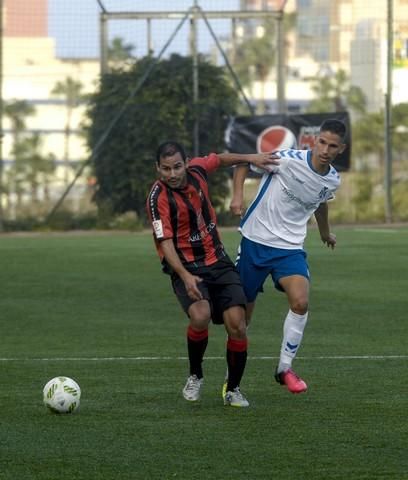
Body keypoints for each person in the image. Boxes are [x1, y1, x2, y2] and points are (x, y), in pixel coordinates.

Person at [146, 140, 279, 407]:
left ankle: (233, 390)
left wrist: (252, 157)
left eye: (177, 167)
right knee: (200, 315)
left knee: (238, 325)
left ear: (187, 162)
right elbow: (165, 242)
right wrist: (184, 276)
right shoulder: (157, 198)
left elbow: (220, 159)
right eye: (165, 169)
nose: (172, 174)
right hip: (186, 267)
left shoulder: (197, 170)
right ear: (157, 168)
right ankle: (195, 375)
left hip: (217, 260)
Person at [230, 119, 347, 394]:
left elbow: (320, 203)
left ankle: (284, 368)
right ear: (314, 141)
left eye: (333, 146)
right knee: (240, 322)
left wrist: (324, 234)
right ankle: (232, 382)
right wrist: (237, 196)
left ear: (341, 148)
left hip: (290, 248)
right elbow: (243, 164)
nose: (325, 150)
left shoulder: (332, 179)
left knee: (301, 301)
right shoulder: (287, 159)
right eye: (322, 142)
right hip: (255, 241)